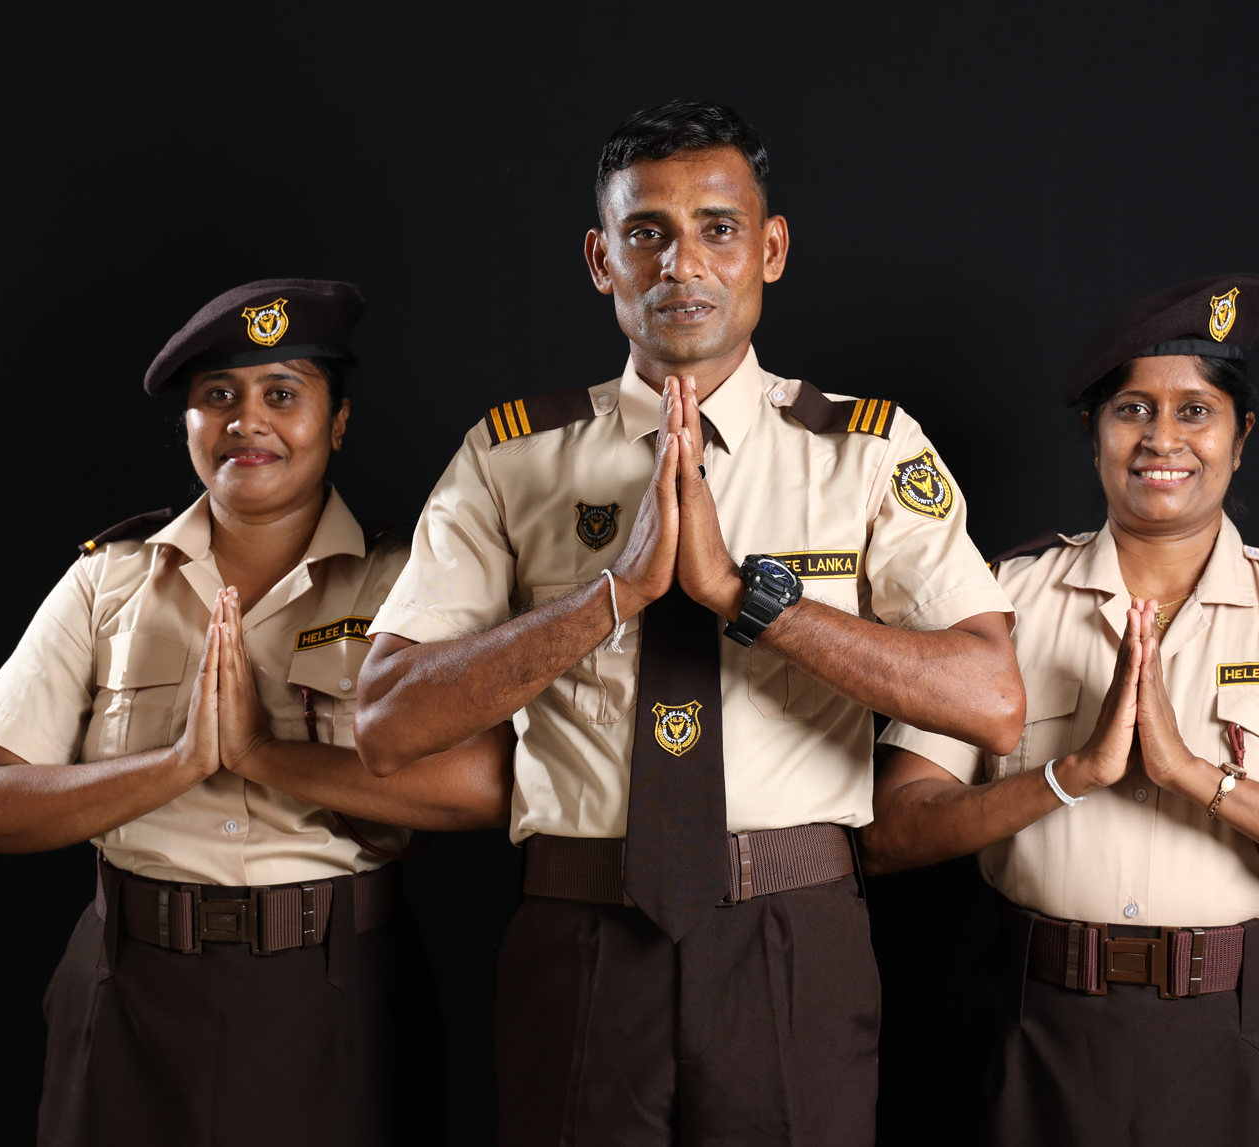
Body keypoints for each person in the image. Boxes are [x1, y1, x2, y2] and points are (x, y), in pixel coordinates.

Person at [354, 101, 1026, 1146]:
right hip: (579, 928)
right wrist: (608, 596)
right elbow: (386, 721)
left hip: (790, 935)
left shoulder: (867, 450)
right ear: (599, 258)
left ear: (771, 247)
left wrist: (750, 599)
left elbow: (989, 700)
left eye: (717, 227)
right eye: (646, 232)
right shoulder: (510, 456)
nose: (682, 263)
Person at [862, 273, 1259, 1145]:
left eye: (1195, 411)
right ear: (1094, 434)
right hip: (1035, 1031)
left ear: (1240, 436)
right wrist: (1070, 774)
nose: (1161, 439)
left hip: (1246, 1037)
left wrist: (1199, 778)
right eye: (1132, 409)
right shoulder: (999, 607)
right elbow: (890, 831)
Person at [0, 279, 514, 1147]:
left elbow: (483, 787)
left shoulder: (410, 582)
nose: (247, 421)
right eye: (219, 397)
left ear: (339, 422)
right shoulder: (109, 582)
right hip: (129, 986)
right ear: (188, 424)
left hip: (336, 989)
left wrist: (258, 752)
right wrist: (174, 764)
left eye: (281, 394)